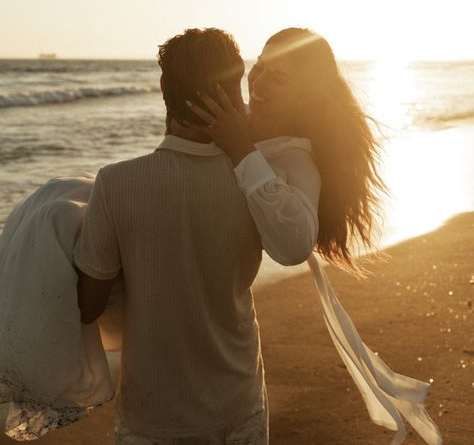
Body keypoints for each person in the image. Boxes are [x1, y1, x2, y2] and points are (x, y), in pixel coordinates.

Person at [185, 27, 442, 445]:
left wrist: (240, 150)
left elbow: (292, 246)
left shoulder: (295, 157)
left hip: (221, 338)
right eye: (259, 68)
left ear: (307, 95)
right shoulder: (236, 120)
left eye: (279, 78)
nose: (260, 83)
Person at [72, 27, 319, 445]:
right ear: (237, 83)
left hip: (154, 417)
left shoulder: (114, 184)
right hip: (237, 404)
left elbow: (87, 305)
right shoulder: (257, 179)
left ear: (163, 87)